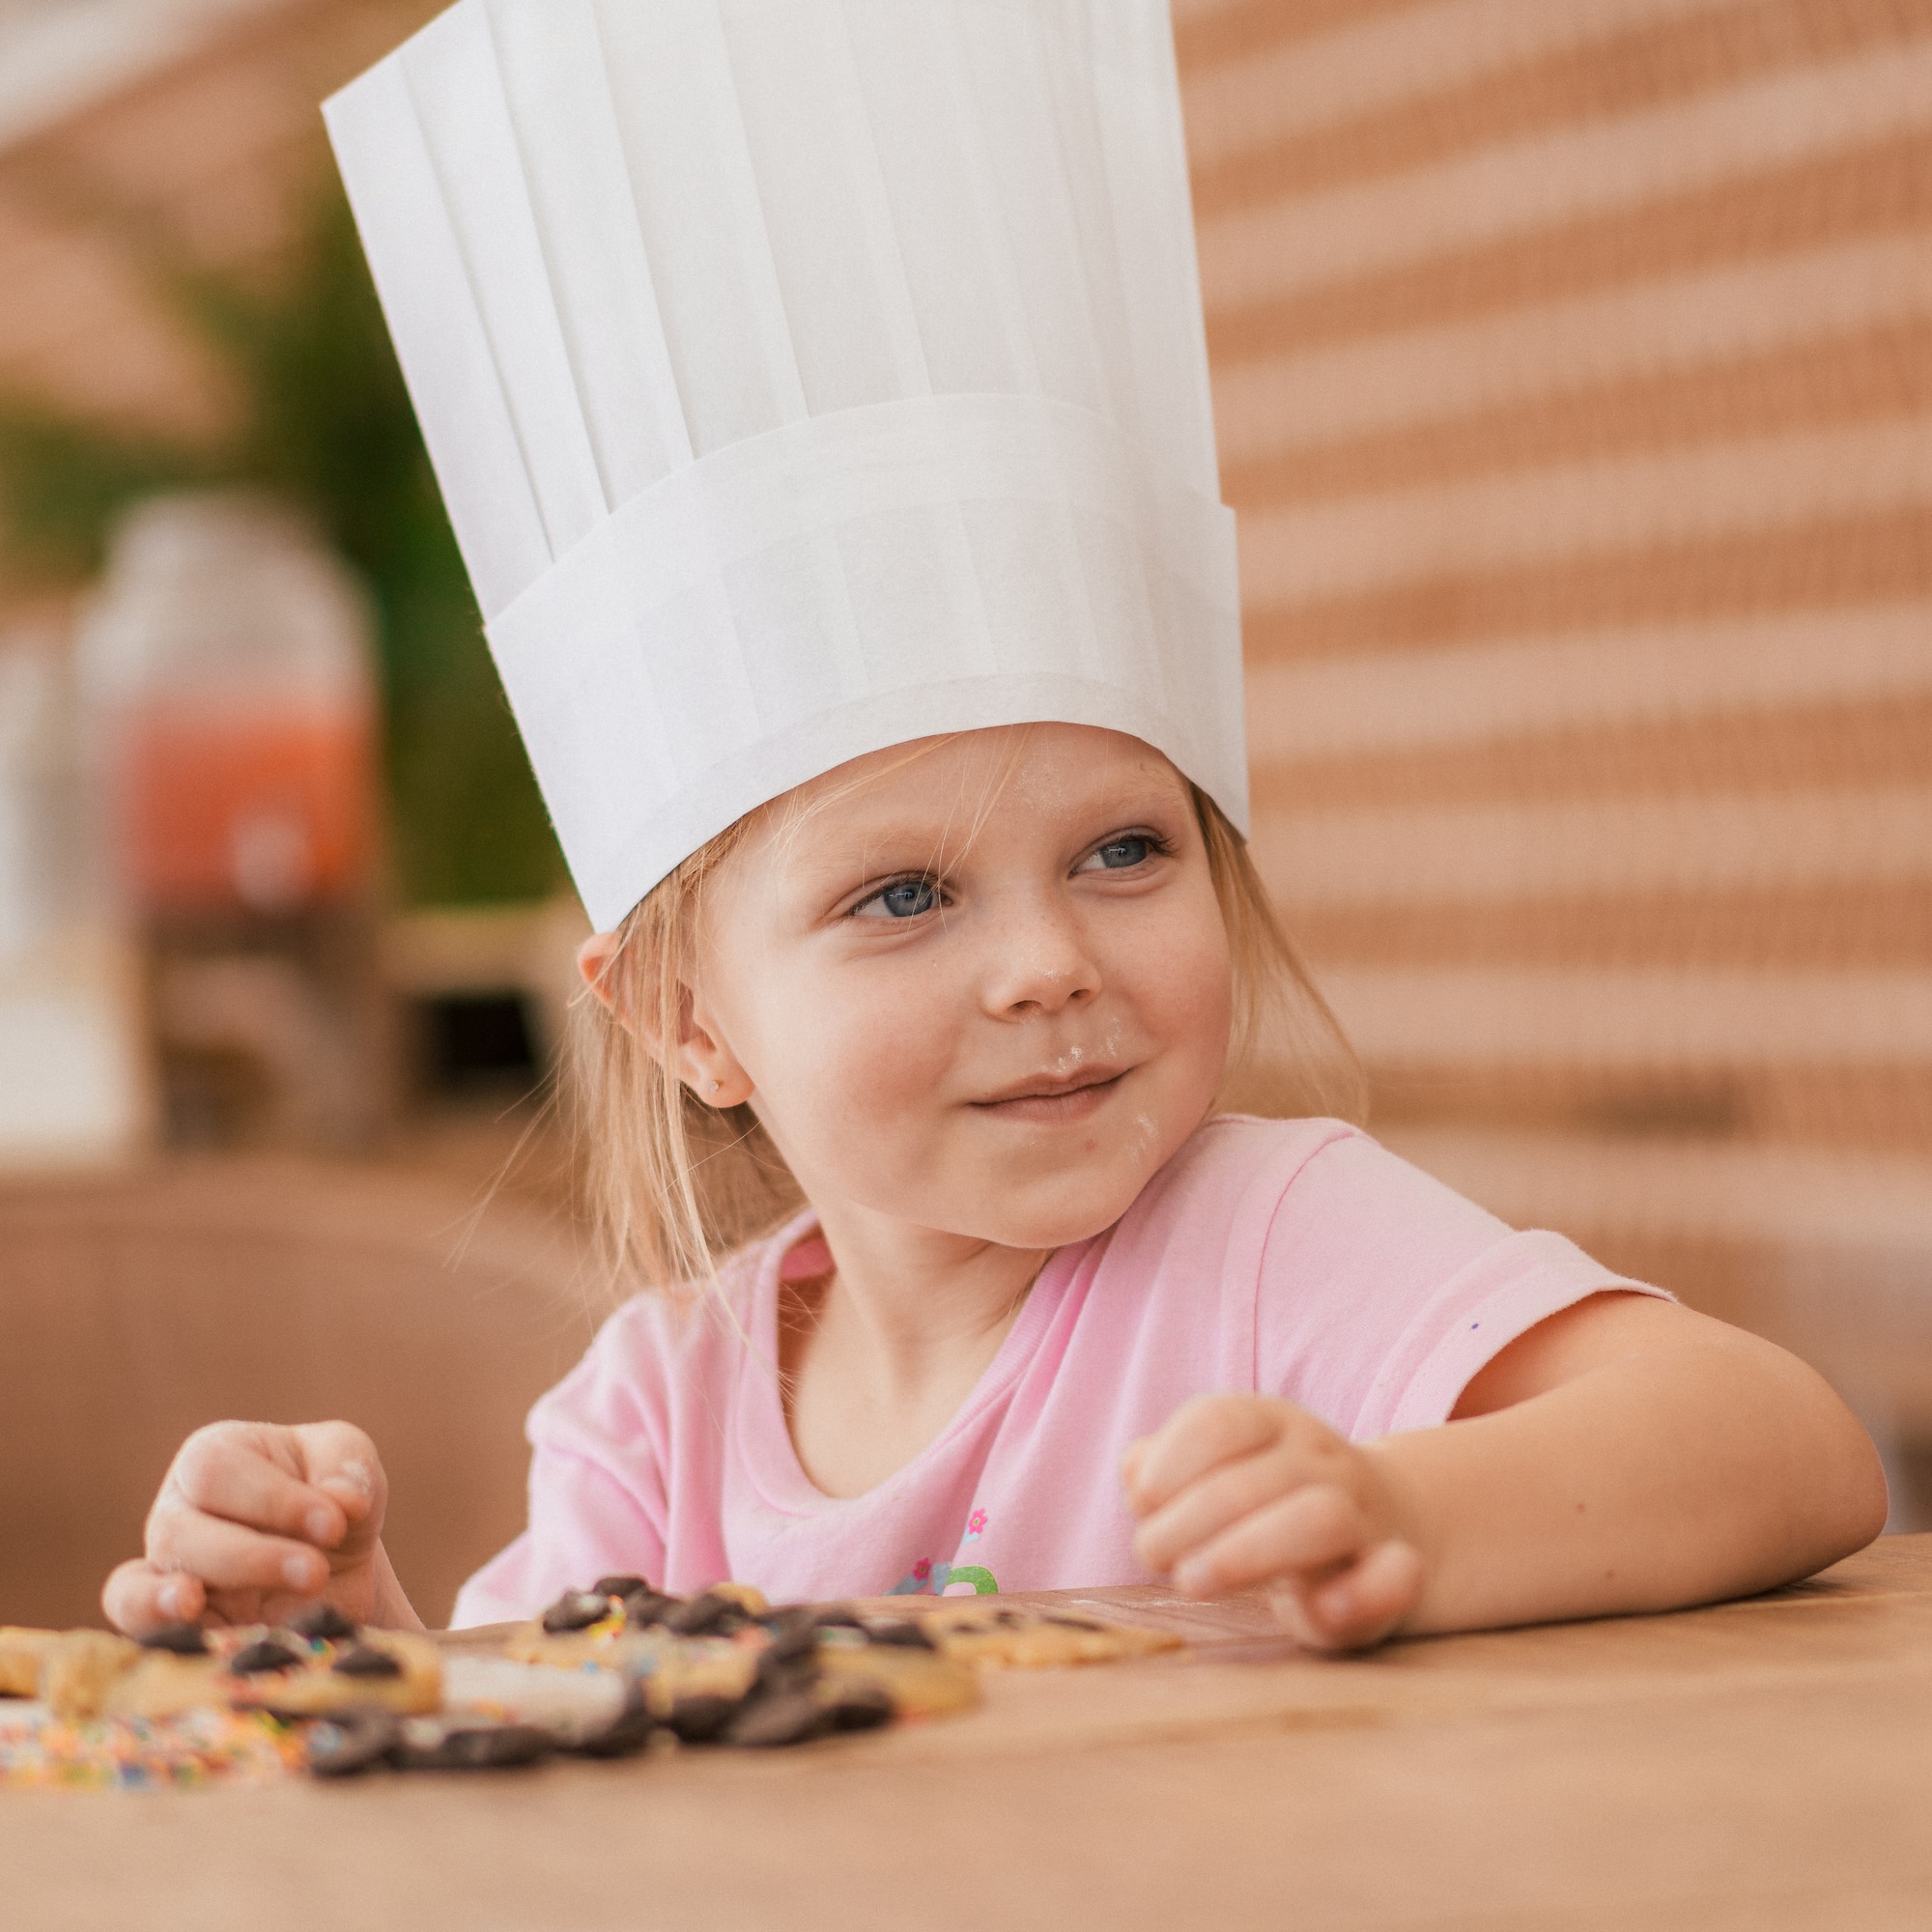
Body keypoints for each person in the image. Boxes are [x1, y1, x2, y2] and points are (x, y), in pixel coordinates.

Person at [104, 0, 1883, 1651]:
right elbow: (548, 1782)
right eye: (901, 894)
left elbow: (1788, 1448)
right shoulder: (655, 1417)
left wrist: (1407, 1507)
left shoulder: (1266, 1246)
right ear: (686, 1018)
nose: (1049, 963)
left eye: (1126, 850)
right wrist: (337, 1640)